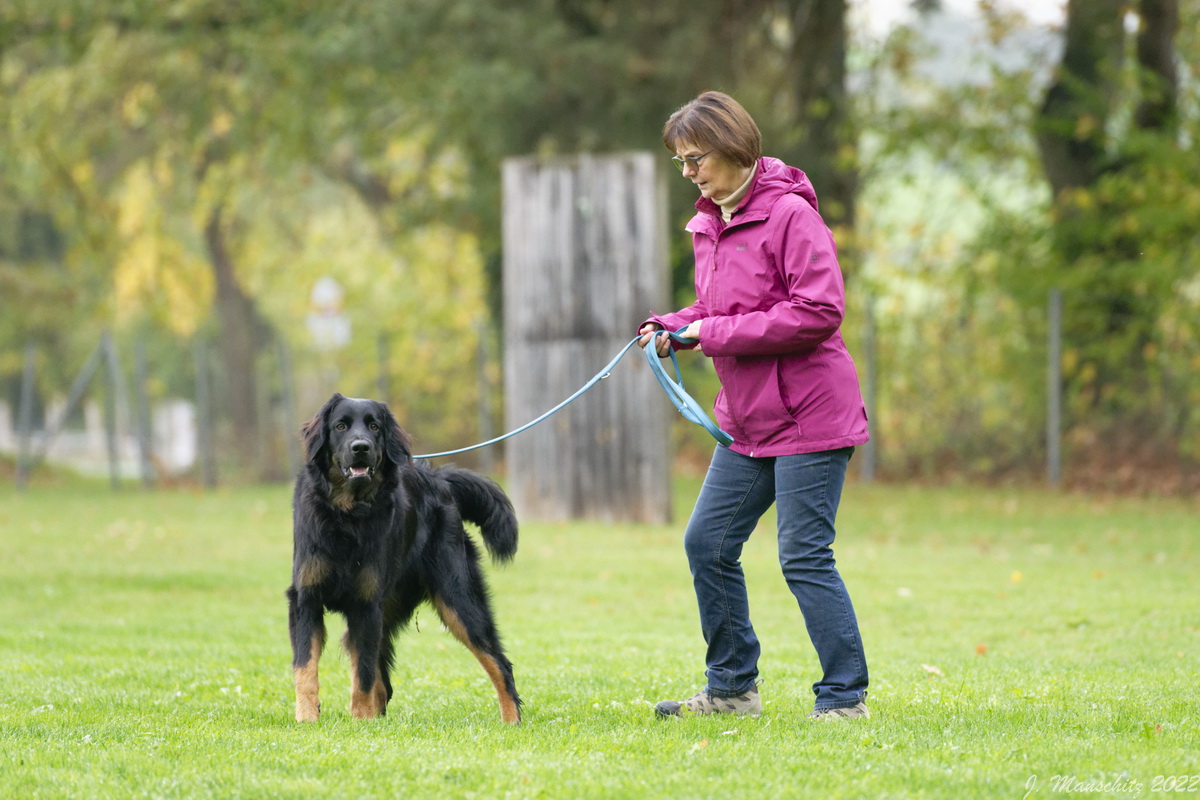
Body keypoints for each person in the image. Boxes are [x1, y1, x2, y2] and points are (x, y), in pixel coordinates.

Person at [638, 91, 870, 721]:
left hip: (812, 415)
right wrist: (671, 323)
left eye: (696, 158)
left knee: (802, 554)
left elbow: (817, 312)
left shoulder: (792, 215)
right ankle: (732, 690)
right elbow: (718, 310)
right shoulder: (707, 222)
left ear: (734, 148)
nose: (688, 172)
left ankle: (844, 698)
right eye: (681, 162)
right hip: (749, 420)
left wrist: (705, 334)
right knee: (706, 543)